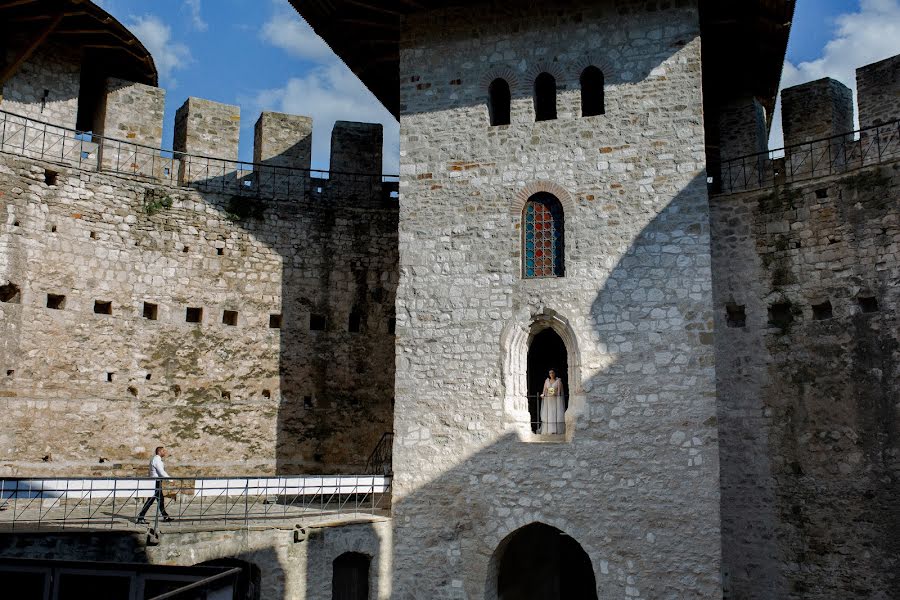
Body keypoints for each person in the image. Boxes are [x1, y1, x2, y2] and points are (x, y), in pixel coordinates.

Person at [137, 446, 173, 524]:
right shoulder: (156, 459)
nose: (165, 452)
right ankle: (141, 517)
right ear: (159, 452)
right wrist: (170, 479)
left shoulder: (156, 459)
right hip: (155, 482)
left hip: (155, 482)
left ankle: (165, 516)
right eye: (163, 451)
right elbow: (161, 471)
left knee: (160, 500)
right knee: (151, 501)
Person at [540, 369, 565, 434]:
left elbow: (559, 392)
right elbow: (544, 390)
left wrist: (556, 394)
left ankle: (555, 430)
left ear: (554, 373)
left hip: (555, 399)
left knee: (555, 412)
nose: (551, 374)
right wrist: (543, 394)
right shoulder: (547, 381)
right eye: (550, 373)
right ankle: (548, 430)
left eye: (552, 373)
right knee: (549, 412)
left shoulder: (558, 381)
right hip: (548, 399)